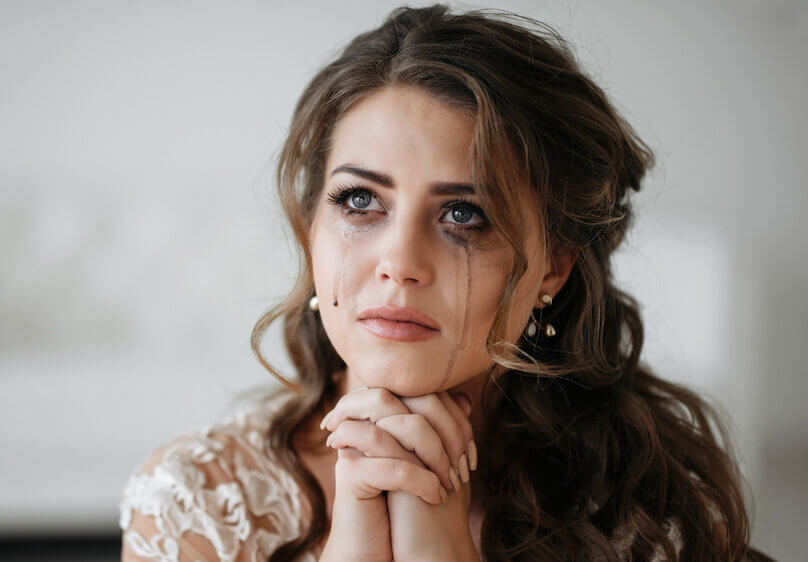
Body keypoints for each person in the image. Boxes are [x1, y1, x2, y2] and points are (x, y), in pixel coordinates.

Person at [119, 5, 772, 561]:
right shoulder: (195, 506)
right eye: (358, 202)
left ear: (555, 265)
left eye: (464, 215)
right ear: (309, 226)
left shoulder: (646, 506)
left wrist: (438, 543)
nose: (399, 263)